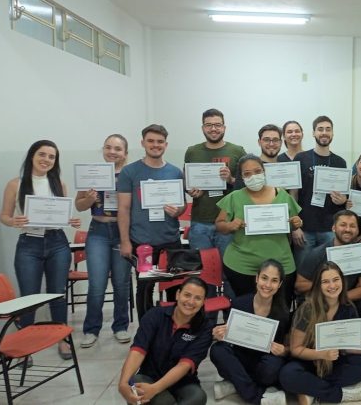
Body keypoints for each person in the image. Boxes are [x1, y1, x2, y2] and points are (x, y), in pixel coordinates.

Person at [0, 140, 81, 360]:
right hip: (29, 244)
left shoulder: (59, 184)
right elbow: (4, 216)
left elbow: (61, 215)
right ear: (32, 156)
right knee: (29, 297)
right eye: (42, 154)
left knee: (58, 294)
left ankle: (62, 339)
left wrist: (71, 221)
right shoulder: (15, 184)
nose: (46, 160)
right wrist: (13, 221)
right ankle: (24, 345)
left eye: (51, 157)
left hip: (57, 242)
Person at [279, 262, 361, 403]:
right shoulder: (307, 309)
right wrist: (321, 354)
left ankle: (311, 389)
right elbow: (296, 350)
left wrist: (357, 347)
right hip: (310, 360)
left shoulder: (348, 307)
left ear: (342, 281)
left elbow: (345, 348)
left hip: (335, 360)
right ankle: (341, 394)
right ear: (318, 285)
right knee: (288, 375)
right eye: (325, 282)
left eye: (335, 280)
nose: (332, 285)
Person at [118, 124, 186, 319]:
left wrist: (178, 210)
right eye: (151, 141)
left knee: (175, 288)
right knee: (145, 289)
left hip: (171, 240)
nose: (155, 145)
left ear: (166, 144)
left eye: (160, 141)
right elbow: (123, 209)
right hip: (142, 242)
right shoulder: (129, 172)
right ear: (143, 143)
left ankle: (173, 328)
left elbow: (182, 206)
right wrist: (125, 241)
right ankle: (146, 330)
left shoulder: (175, 172)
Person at [215, 154, 302, 302]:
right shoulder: (235, 197)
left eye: (257, 171)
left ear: (264, 171)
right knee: (247, 307)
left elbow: (294, 222)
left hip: (281, 264)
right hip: (242, 265)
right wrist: (230, 225)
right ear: (242, 177)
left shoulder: (282, 194)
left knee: (281, 308)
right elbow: (219, 224)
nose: (253, 177)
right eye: (247, 174)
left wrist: (297, 223)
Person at [74, 134, 133, 348]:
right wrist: (89, 199)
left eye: (117, 148)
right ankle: (91, 329)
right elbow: (79, 205)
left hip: (122, 231)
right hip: (98, 232)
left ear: (125, 153)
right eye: (108, 147)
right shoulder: (92, 174)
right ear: (103, 150)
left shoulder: (130, 174)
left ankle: (120, 326)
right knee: (97, 284)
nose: (112, 152)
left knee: (121, 283)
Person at [117, 276, 213, 405]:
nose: (191, 302)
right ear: (178, 294)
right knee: (139, 387)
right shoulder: (154, 315)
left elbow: (184, 365)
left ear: (203, 302)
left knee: (198, 397)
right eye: (187, 295)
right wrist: (123, 383)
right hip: (149, 376)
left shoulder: (205, 327)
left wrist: (155, 389)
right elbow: (138, 351)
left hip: (182, 382)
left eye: (197, 298)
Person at [210, 259, 290, 405]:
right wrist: (220, 334)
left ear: (279, 285)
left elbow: (287, 348)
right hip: (240, 359)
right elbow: (229, 337)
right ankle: (256, 397)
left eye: (274, 280)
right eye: (264, 278)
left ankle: (236, 385)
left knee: (273, 366)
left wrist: (283, 351)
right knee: (217, 350)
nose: (267, 285)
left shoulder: (283, 313)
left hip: (263, 363)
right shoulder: (238, 303)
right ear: (256, 278)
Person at [295, 210, 361, 336]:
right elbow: (300, 285)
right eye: (343, 225)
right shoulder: (318, 253)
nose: (347, 229)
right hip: (322, 297)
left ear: (357, 230)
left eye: (352, 226)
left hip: (347, 298)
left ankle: (358, 341)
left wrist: (338, 298)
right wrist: (326, 288)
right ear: (334, 228)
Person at [184, 108, 245, 258]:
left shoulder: (237, 151)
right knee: (203, 268)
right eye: (208, 125)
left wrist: (231, 180)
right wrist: (191, 190)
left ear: (224, 127)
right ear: (203, 128)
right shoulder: (192, 152)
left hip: (228, 221)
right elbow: (187, 181)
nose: (213, 129)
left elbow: (247, 185)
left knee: (228, 268)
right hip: (200, 222)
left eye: (218, 125)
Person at [291, 116, 348, 267]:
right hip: (305, 228)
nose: (324, 133)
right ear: (313, 133)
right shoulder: (301, 158)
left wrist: (342, 200)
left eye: (328, 129)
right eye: (320, 129)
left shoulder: (340, 162)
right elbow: (293, 194)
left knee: (330, 270)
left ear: (332, 133)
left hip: (330, 228)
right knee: (303, 270)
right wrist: (295, 226)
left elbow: (345, 197)